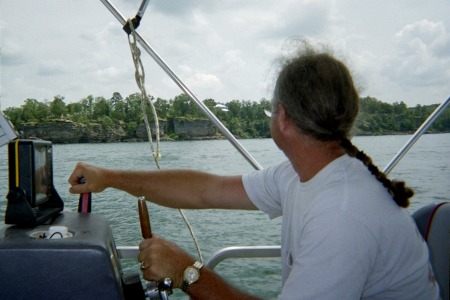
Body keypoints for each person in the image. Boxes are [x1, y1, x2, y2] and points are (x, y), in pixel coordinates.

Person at [68, 42, 440, 299]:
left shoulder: (342, 214)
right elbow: (204, 190)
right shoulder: (300, 174)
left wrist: (186, 272)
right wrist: (111, 178)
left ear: (283, 118)